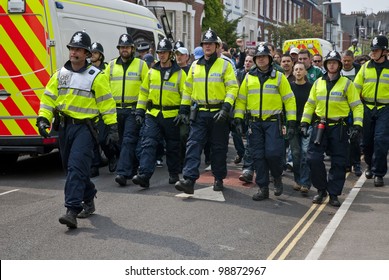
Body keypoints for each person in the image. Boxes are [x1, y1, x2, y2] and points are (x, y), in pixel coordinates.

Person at [36, 31, 119, 228]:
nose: (74, 52)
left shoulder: (96, 77)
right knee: (73, 169)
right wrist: (42, 119)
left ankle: (72, 210)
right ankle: (88, 196)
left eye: (79, 50)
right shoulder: (60, 75)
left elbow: (107, 104)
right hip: (64, 128)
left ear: (87, 53)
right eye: (72, 48)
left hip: (85, 129)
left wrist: (112, 127)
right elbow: (48, 99)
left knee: (75, 167)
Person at [174, 28, 238, 194]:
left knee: (218, 148)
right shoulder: (195, 66)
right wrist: (183, 109)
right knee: (193, 145)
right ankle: (189, 179)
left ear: (217, 46)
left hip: (219, 113)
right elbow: (188, 90)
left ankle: (218, 177)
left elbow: (232, 87)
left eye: (211, 44)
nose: (207, 46)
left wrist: (226, 108)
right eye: (205, 44)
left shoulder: (225, 65)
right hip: (200, 112)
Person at [233, 44, 297, 201]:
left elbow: (289, 100)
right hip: (254, 123)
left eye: (263, 56)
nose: (261, 59)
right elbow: (241, 100)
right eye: (258, 57)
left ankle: (276, 177)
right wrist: (238, 118)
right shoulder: (249, 77)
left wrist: (292, 122)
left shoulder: (279, 76)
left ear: (269, 58)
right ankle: (263, 188)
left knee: (274, 154)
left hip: (273, 122)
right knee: (258, 156)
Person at [301, 50, 363, 207]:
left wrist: (357, 125)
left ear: (339, 65)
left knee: (339, 162)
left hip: (339, 127)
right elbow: (310, 104)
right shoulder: (318, 83)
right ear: (326, 65)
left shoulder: (347, 84)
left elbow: (356, 106)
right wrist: (304, 122)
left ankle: (334, 193)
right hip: (320, 125)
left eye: (335, 62)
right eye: (329, 62)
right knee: (312, 158)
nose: (332, 65)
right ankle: (321, 190)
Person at [132, 38, 187, 188]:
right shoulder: (151, 72)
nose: (161, 55)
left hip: (172, 115)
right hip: (153, 114)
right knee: (148, 143)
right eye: (159, 52)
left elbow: (187, 94)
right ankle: (144, 175)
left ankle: (174, 173)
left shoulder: (180, 74)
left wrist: (183, 111)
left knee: (173, 146)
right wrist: (139, 111)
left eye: (164, 52)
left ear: (171, 54)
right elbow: (143, 93)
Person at [106, 34, 149, 187]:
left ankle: (122, 173)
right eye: (122, 47)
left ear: (132, 49)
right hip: (115, 110)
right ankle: (133, 167)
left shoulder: (141, 65)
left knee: (129, 141)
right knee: (119, 142)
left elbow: (146, 88)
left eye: (127, 47)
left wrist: (141, 109)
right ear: (119, 49)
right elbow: (104, 88)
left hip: (132, 109)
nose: (124, 49)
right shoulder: (110, 66)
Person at [354, 35, 389, 187]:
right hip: (367, 107)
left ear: (385, 51)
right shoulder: (365, 67)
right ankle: (369, 165)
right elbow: (355, 88)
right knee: (366, 142)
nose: (373, 53)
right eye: (372, 50)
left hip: (385, 109)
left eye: (376, 50)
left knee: (380, 141)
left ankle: (379, 173)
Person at [89, 42, 118, 177]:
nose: (92, 55)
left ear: (100, 55)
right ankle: (94, 166)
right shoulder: (87, 69)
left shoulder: (106, 69)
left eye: (94, 53)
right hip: (90, 110)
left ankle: (111, 156)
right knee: (91, 139)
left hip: (103, 109)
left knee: (102, 139)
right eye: (91, 52)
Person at [288, 62, 313, 194]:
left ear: (305, 72)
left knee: (305, 153)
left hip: (307, 124)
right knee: (295, 154)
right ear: (293, 72)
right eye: (296, 69)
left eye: (301, 69)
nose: (298, 71)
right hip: (293, 125)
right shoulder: (289, 87)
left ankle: (305, 183)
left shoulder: (311, 87)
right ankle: (297, 180)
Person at [341, 50, 362, 176]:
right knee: (344, 139)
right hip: (342, 110)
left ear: (353, 60)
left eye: (349, 60)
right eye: (344, 60)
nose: (346, 63)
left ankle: (357, 163)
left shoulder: (359, 70)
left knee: (355, 139)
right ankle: (347, 164)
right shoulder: (337, 72)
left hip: (355, 109)